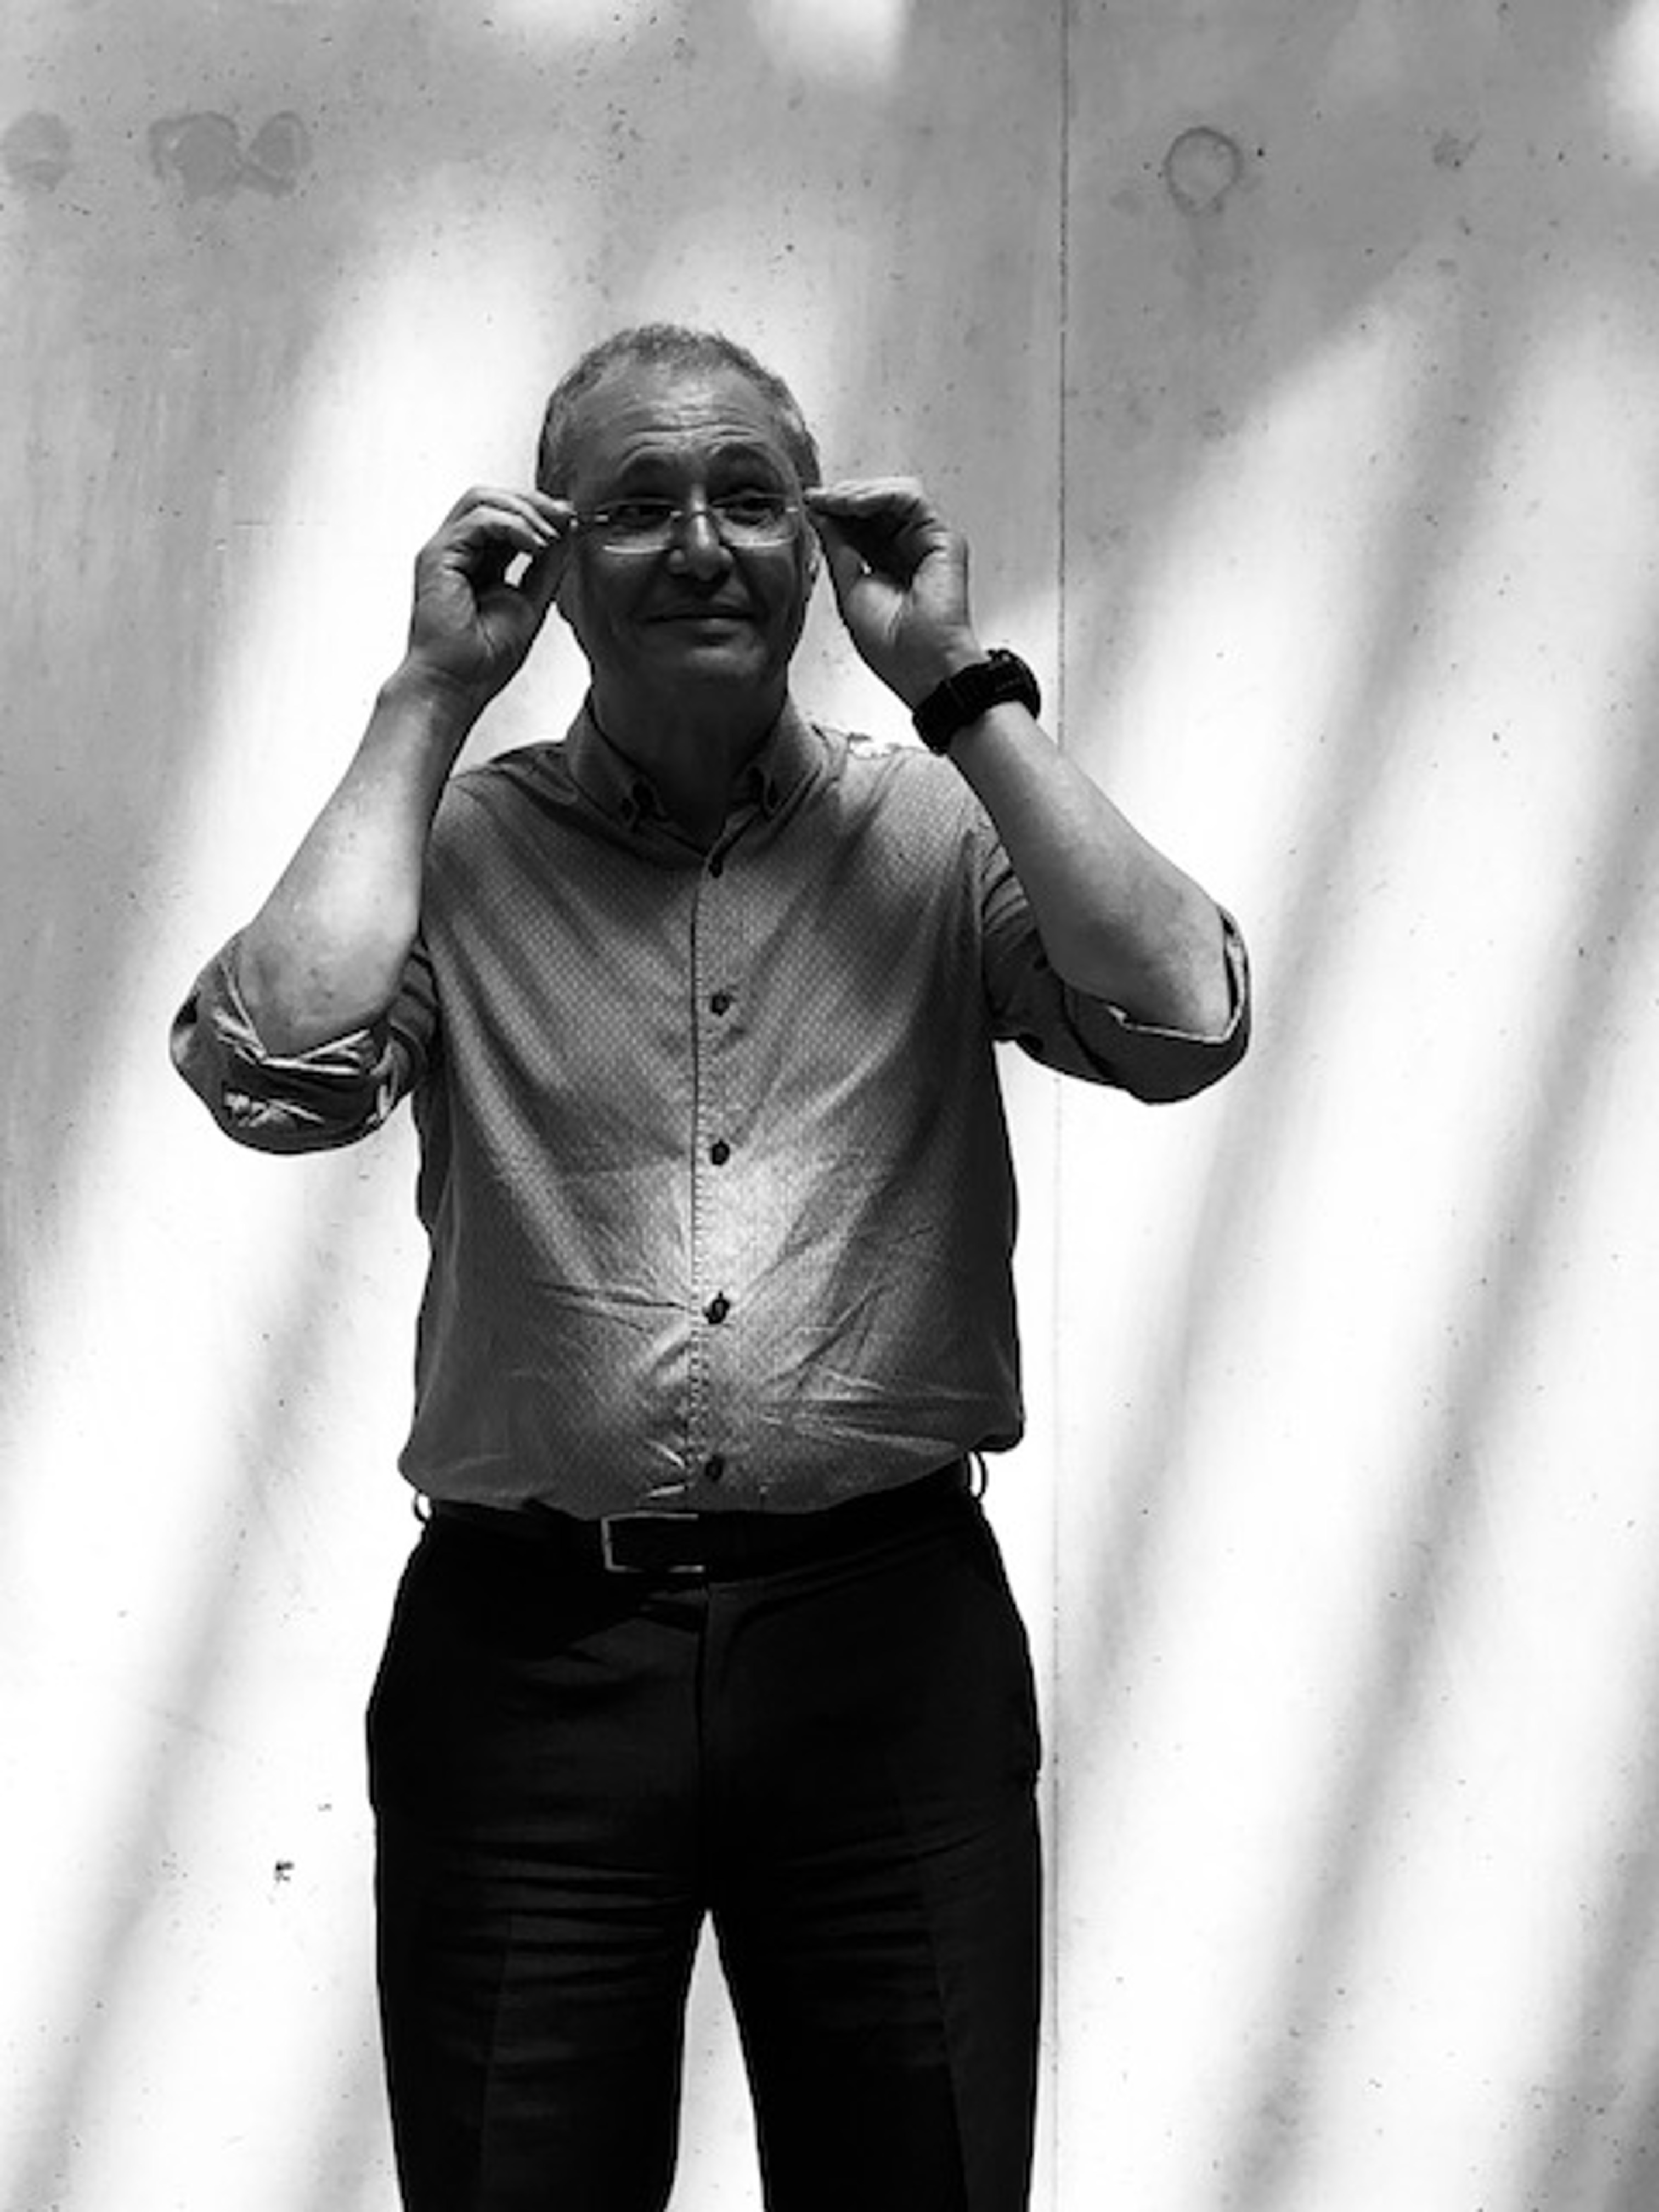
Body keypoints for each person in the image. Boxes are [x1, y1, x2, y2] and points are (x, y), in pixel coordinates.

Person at [172, 323, 1249, 2212]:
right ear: (553, 555)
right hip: (529, 1663)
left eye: (750, 498)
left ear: (814, 546)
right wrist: (427, 699)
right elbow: (276, 1075)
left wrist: (963, 688)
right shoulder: (455, 850)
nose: (699, 545)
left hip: (887, 1644)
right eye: (638, 505)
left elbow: (1183, 1016)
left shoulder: (939, 828)